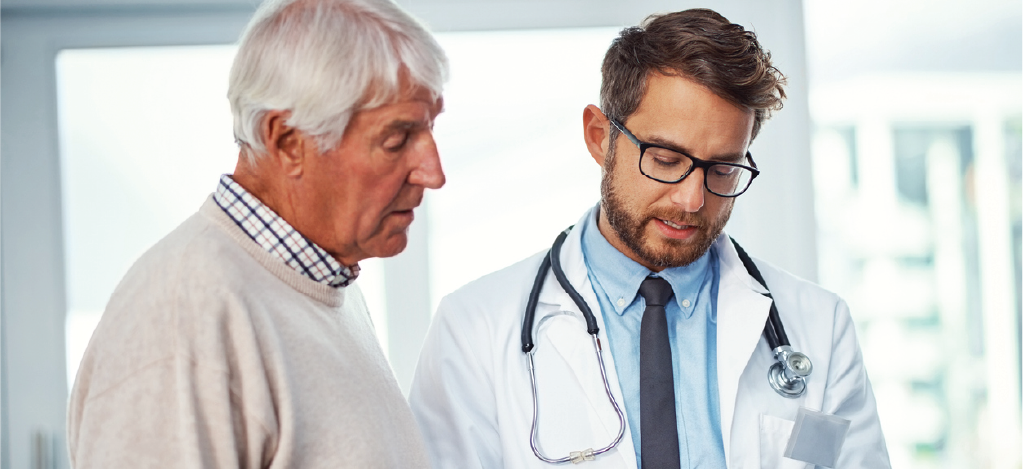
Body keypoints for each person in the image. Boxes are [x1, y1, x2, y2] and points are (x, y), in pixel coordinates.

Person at [409, 9, 890, 469]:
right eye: (664, 160)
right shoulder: (473, 330)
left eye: (722, 168)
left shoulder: (819, 327)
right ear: (600, 137)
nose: (692, 199)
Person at [66, 0, 446, 466]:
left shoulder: (325, 288)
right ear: (287, 143)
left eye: (429, 130)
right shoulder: (186, 311)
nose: (432, 172)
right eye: (397, 139)